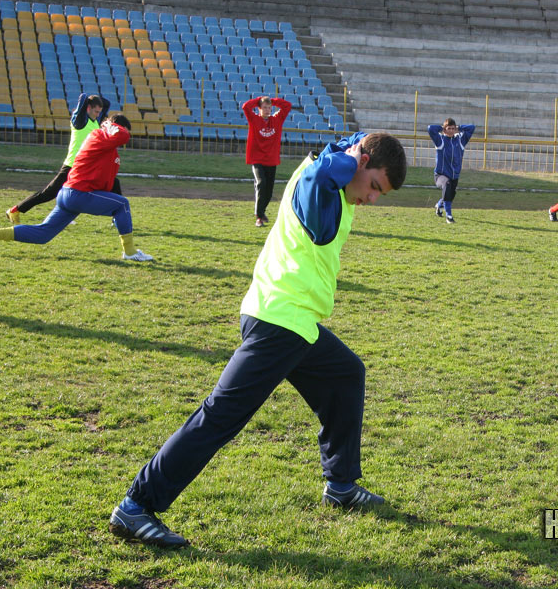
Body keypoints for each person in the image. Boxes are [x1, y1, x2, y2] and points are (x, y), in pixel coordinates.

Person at [108, 131, 407, 547]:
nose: (373, 199)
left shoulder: (334, 169)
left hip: (295, 321)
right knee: (220, 416)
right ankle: (136, 505)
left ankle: (340, 484)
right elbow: (321, 222)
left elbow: (350, 141)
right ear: (361, 162)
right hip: (278, 322)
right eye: (375, 187)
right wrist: (345, 160)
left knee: (345, 373)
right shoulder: (319, 179)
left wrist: (351, 153)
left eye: (381, 195)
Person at [0, 115, 152, 262]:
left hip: (70, 194)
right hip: (78, 194)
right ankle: (130, 252)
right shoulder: (99, 135)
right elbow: (123, 135)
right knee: (122, 204)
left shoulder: (105, 143)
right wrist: (110, 123)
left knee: (43, 234)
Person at [4, 93, 120, 225]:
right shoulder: (79, 121)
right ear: (87, 108)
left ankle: (118, 216)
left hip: (86, 167)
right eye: (96, 111)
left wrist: (96, 100)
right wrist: (88, 99)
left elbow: (107, 104)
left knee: (113, 182)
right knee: (49, 193)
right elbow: (82, 97)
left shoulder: (95, 122)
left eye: (99, 112)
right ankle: (15, 210)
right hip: (73, 166)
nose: (98, 114)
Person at [242, 95, 292, 227]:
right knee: (261, 183)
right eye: (264, 107)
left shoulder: (277, 120)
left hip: (271, 159)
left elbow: (287, 106)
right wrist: (259, 100)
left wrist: (273, 100)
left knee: (269, 191)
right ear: (259, 108)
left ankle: (262, 213)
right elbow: (246, 106)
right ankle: (258, 216)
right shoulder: (254, 119)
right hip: (257, 158)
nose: (267, 110)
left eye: (269, 107)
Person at [428, 118, 475, 224]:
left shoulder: (460, 140)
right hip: (440, 175)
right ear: (445, 129)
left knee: (450, 194)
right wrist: (442, 128)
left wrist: (459, 128)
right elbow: (430, 128)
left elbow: (472, 128)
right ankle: (449, 216)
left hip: (455, 175)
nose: (451, 130)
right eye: (448, 128)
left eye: (453, 128)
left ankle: (439, 205)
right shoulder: (440, 140)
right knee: (447, 185)